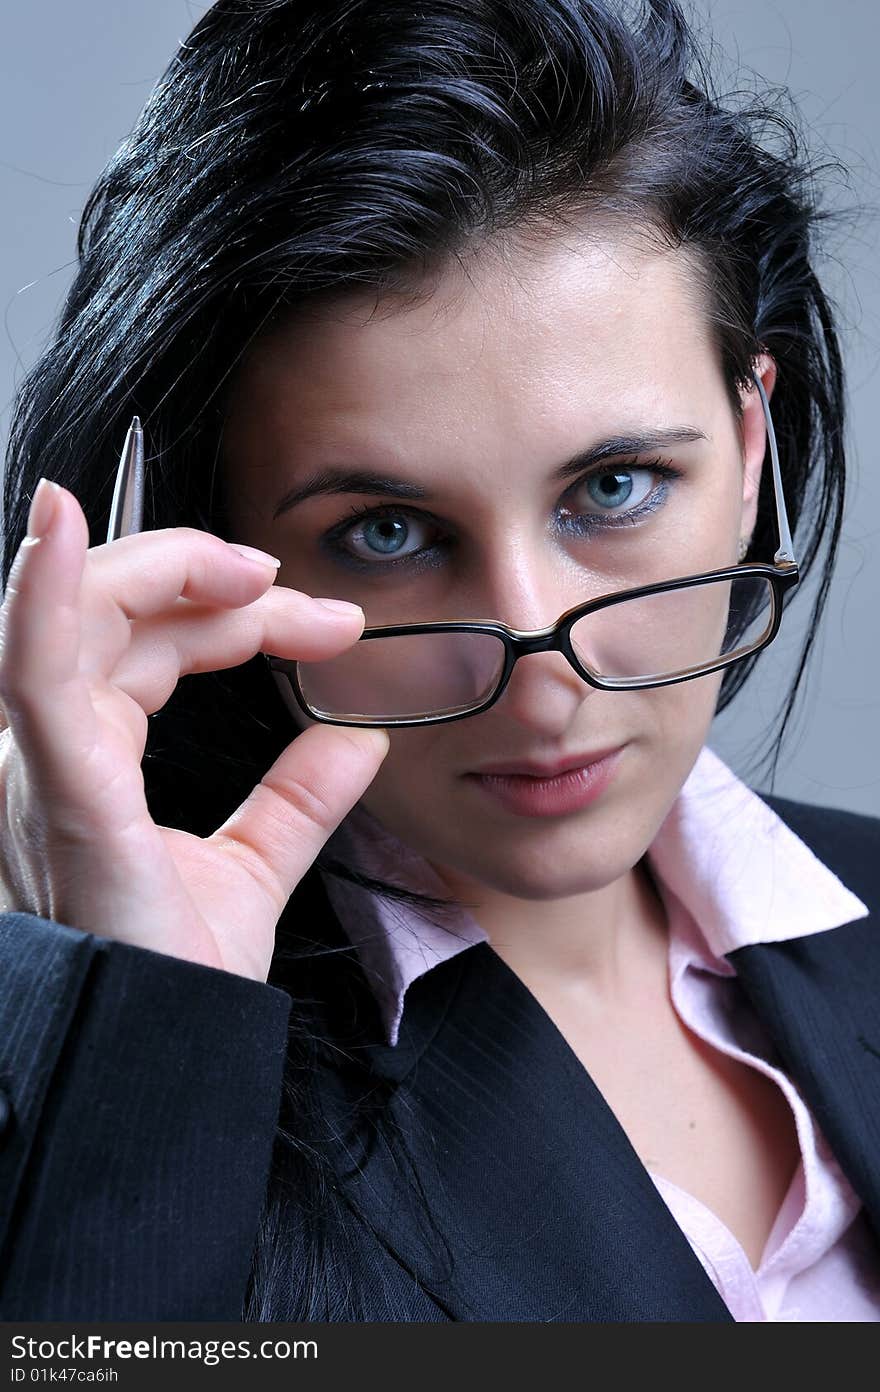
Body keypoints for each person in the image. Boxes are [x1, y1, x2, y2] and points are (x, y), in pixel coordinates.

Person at [0, 0, 877, 1324]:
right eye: (387, 532)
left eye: (619, 486)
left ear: (752, 446)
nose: (536, 665)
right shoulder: (136, 1066)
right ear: (219, 548)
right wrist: (147, 1037)